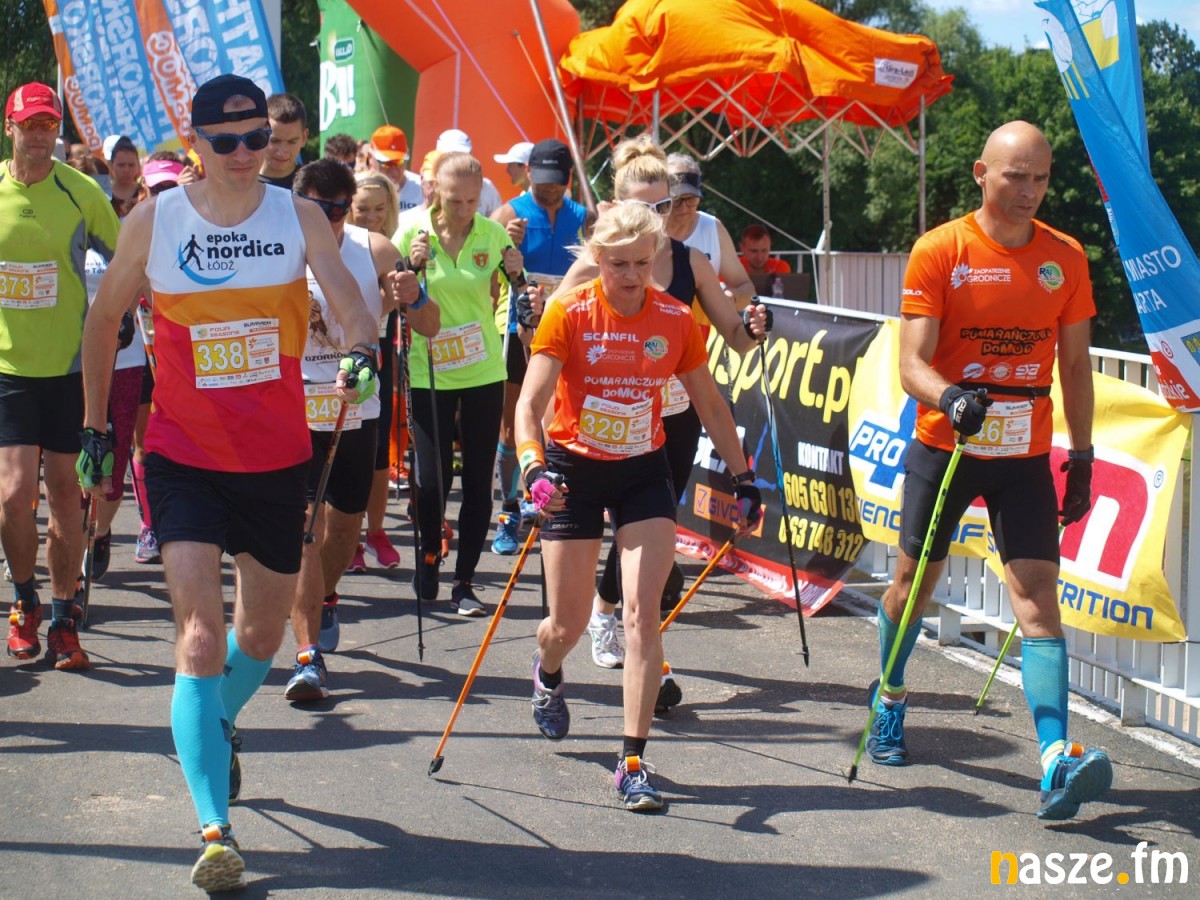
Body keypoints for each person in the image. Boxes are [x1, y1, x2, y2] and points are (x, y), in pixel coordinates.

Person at [77, 74, 380, 892]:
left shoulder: (298, 216)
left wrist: (360, 347)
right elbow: (103, 320)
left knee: (262, 635)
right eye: (228, 141)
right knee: (200, 638)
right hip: (182, 456)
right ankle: (216, 831)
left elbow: (352, 305)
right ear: (198, 143)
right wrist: (97, 426)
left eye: (258, 139)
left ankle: (214, 720)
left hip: (277, 458)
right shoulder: (156, 219)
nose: (247, 154)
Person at [865, 120, 1109, 822]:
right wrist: (951, 396)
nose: (1029, 190)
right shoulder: (941, 250)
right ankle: (890, 695)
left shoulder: (1065, 257)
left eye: (1040, 178)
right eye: (1014, 176)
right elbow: (911, 363)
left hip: (1023, 455)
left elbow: (1074, 366)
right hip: (947, 446)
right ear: (981, 173)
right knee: (915, 585)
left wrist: (1083, 455)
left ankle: (1055, 758)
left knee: (1036, 595)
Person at [516, 201, 762, 811]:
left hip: (642, 471)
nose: (631, 276)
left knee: (641, 617)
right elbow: (530, 404)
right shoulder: (570, 312)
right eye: (618, 264)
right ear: (597, 259)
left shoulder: (675, 318)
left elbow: (710, 404)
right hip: (572, 471)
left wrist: (744, 477)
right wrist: (532, 466)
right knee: (566, 625)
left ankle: (631, 762)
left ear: (656, 259)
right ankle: (548, 671)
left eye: (642, 264)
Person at [549, 136, 769, 694]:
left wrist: (755, 328)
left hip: (672, 415)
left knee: (646, 534)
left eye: (665, 205)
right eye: (643, 207)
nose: (657, 217)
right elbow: (549, 329)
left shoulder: (690, 261)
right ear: (616, 207)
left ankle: (626, 631)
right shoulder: (602, 259)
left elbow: (736, 338)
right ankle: (609, 625)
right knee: (627, 538)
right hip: (599, 421)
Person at [285, 159, 435, 700]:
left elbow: (430, 325)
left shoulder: (374, 250)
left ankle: (324, 597)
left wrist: (413, 295)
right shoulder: (278, 249)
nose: (327, 218)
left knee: (344, 529)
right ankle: (307, 656)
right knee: (305, 529)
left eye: (336, 209)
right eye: (315, 207)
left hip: (355, 410)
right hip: (293, 404)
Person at [1, 83, 120, 670]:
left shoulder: (81, 191)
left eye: (48, 125)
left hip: (70, 370)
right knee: (12, 496)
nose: (39, 135)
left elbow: (126, 256)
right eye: (30, 124)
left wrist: (121, 311)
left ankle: (64, 616)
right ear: (10, 127)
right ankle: (25, 600)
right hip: (9, 369)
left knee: (67, 497)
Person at [394, 151, 526, 616]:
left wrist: (517, 273)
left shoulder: (492, 233)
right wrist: (411, 267)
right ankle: (431, 550)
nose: (464, 209)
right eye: (454, 201)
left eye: (472, 201)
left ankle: (465, 581)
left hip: (482, 369)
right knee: (432, 481)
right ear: (434, 191)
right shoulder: (411, 230)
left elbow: (519, 291)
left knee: (476, 480)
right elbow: (394, 294)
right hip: (428, 367)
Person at [489, 138, 589, 555]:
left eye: (557, 181)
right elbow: (485, 280)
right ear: (528, 172)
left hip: (568, 330)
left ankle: (549, 503)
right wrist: (505, 247)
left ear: (569, 178)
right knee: (514, 423)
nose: (550, 188)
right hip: (518, 328)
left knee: (558, 421)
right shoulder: (508, 215)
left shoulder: (583, 217)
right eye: (543, 180)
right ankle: (509, 511)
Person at [342, 170, 405, 576]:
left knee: (379, 448)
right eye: (362, 209)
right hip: (339, 354)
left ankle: (376, 531)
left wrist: (374, 310)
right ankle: (348, 540)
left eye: (379, 209)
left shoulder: (387, 247)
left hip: (380, 351)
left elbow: (395, 299)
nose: (371, 217)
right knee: (348, 446)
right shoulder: (338, 244)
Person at [665, 153, 753, 306]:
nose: (684, 207)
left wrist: (731, 297)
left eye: (691, 199)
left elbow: (748, 290)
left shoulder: (712, 228)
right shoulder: (650, 231)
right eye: (676, 200)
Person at [435, 129, 502, 216]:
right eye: (449, 156)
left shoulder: (486, 187)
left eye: (471, 200)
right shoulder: (424, 185)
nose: (456, 161)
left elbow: (498, 221)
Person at [369, 125, 424, 212]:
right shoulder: (359, 189)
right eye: (387, 163)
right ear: (370, 157)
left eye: (399, 161)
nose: (394, 170)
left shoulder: (422, 189)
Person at [259, 92, 308, 189]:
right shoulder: (238, 186)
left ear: (304, 138)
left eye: (292, 142)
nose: (282, 152)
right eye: (274, 141)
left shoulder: (315, 187)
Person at [105, 135, 142, 216]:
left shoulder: (145, 192)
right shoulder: (105, 197)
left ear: (138, 165)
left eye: (131, 165)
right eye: (121, 165)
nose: (126, 170)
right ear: (111, 165)